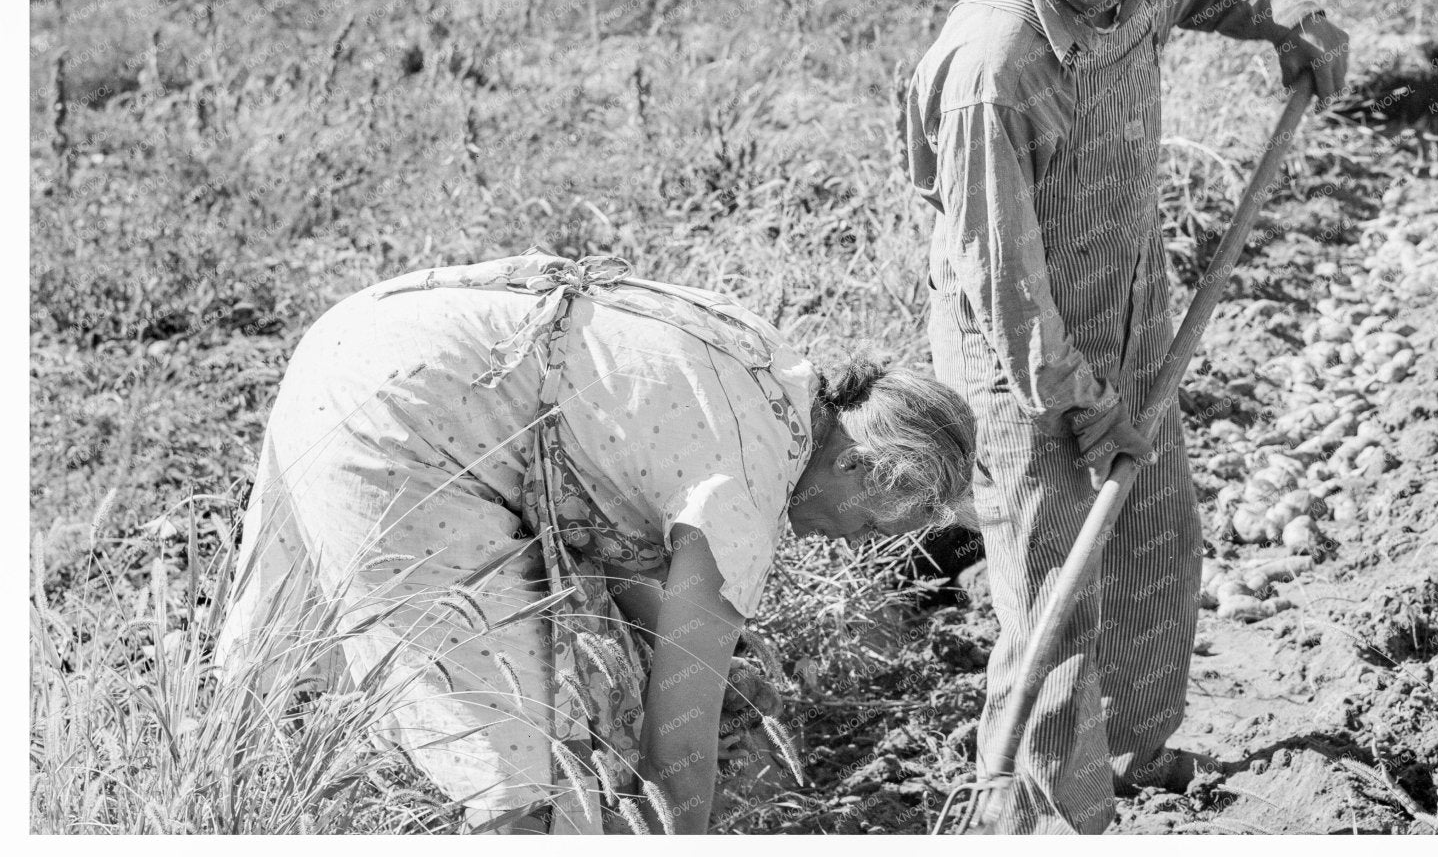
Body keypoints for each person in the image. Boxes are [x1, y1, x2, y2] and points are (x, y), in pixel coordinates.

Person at [900, 0, 1350, 832]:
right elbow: (1000, 284)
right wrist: (1083, 404)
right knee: (1051, 591)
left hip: (1129, 308)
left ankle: (1133, 753)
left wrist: (1295, 14)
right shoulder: (993, 65)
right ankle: (1043, 811)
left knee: (1155, 537)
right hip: (1020, 359)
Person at [216, 252, 974, 833]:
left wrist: (722, 669)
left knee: (290, 680)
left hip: (367, 335)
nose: (851, 545)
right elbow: (676, 748)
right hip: (405, 421)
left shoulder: (777, 377)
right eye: (872, 523)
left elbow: (633, 525)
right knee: (519, 768)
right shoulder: (747, 494)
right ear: (853, 461)